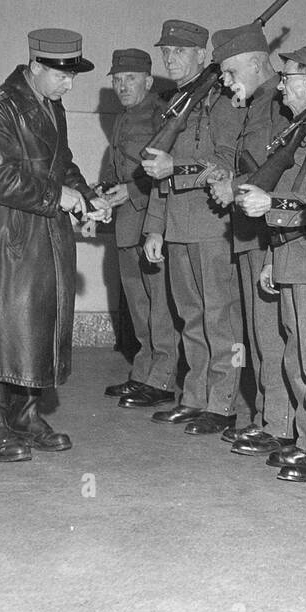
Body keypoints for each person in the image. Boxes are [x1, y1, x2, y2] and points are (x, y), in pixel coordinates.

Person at [0, 28, 110, 461]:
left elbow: (63, 163)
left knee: (38, 321)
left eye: (72, 75)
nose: (69, 84)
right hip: (2, 234)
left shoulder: (50, 107)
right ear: (35, 66)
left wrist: (87, 199)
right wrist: (62, 197)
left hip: (41, 231)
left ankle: (25, 414)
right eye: (62, 74)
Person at [237, 39, 306, 482]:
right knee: (298, 355)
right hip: (289, 248)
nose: (280, 86)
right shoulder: (305, 126)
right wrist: (271, 254)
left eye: (286, 78)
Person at [141, 19, 244, 435]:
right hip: (179, 226)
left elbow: (226, 162)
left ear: (203, 55)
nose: (171, 57)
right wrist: (154, 228)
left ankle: (223, 403)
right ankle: (195, 396)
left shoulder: (221, 101)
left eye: (180, 51)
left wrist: (176, 169)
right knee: (190, 317)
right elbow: (155, 171)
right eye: (166, 51)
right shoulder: (173, 103)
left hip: (211, 223)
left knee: (220, 318)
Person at [204, 23, 294, 457]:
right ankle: (266, 416)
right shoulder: (256, 102)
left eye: (230, 71)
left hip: (270, 231)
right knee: (258, 334)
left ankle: (278, 422)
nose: (225, 81)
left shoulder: (280, 102)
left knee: (271, 333)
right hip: (251, 231)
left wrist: (235, 183)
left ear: (258, 63)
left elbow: (283, 162)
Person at [101, 47, 181, 409]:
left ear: (148, 80)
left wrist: (129, 191)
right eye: (117, 80)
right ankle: (144, 372)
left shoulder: (161, 115)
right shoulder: (123, 117)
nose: (122, 86)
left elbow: (167, 172)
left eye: (130, 78)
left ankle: (162, 380)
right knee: (138, 304)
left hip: (150, 219)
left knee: (158, 304)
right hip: (126, 224)